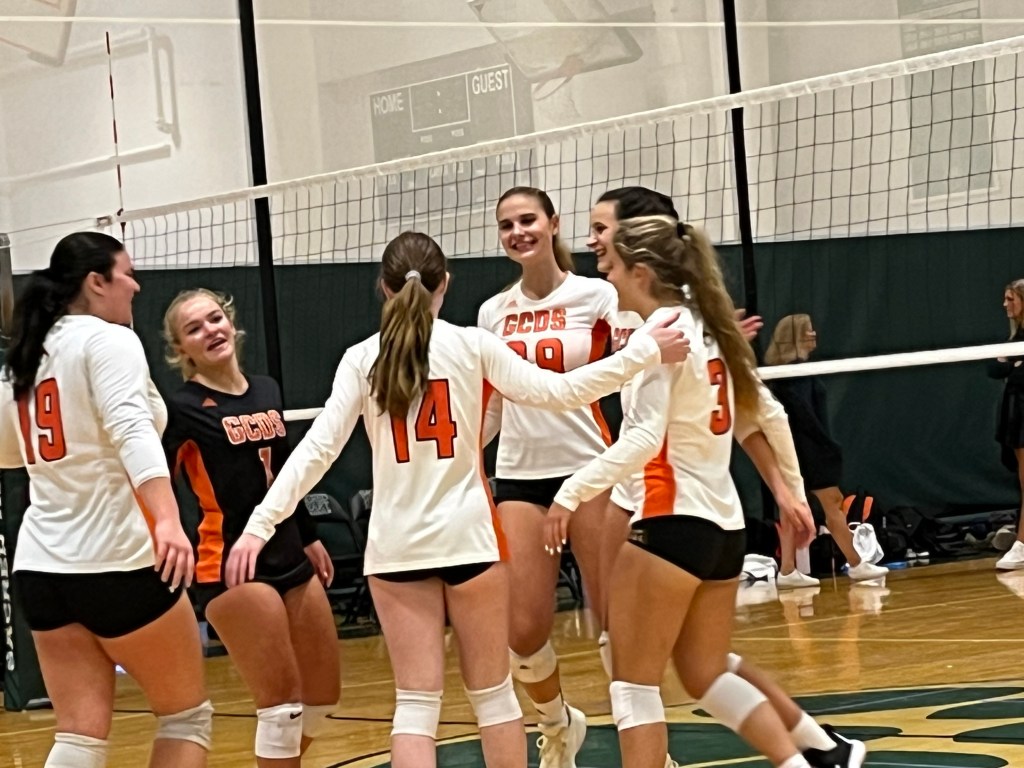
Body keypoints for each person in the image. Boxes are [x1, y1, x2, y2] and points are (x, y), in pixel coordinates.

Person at [221, 232, 689, 768]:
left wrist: (260, 525)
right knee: (494, 697)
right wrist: (644, 352)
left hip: (396, 548)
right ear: (445, 284)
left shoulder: (360, 358)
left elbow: (316, 452)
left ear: (384, 287)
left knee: (415, 708)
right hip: (470, 538)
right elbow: (561, 393)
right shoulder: (472, 345)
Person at [543, 214, 850, 768]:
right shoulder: (712, 328)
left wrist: (570, 494)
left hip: (669, 522)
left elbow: (643, 438)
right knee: (704, 673)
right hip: (725, 531)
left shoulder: (662, 335)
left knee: (632, 686)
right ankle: (806, 761)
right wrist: (793, 493)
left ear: (641, 272)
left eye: (613, 266)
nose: (607, 277)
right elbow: (770, 414)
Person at [0, 232, 211, 768]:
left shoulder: (27, 352)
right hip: (117, 559)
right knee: (185, 718)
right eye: (127, 274)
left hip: (42, 568)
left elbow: (8, 452)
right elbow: (132, 431)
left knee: (79, 736)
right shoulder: (108, 340)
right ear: (97, 281)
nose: (136, 286)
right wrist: (168, 520)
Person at [477, 186, 638, 765]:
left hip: (589, 469)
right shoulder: (492, 312)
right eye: (507, 225)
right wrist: (461, 459)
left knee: (616, 622)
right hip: (521, 476)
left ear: (553, 223)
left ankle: (646, 749)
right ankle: (558, 723)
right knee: (522, 632)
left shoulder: (597, 295)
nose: (518, 232)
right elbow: (493, 404)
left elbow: (634, 363)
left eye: (528, 220)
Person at [161, 288, 340, 766]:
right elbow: (152, 480)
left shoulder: (266, 389)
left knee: (321, 701)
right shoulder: (181, 408)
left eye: (214, 318)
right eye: (194, 329)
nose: (210, 331)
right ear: (181, 349)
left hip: (289, 551)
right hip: (229, 564)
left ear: (231, 322)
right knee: (282, 708)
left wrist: (309, 535)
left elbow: (286, 473)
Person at [764, 314, 888, 585]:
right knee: (832, 504)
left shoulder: (792, 371)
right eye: (808, 330)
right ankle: (855, 563)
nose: (814, 334)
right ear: (794, 336)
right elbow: (803, 417)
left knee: (793, 508)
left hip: (801, 449)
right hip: (808, 450)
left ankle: (787, 570)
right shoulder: (792, 374)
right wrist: (825, 446)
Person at [990, 279, 1024, 570]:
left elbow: (1015, 374)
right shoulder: (1017, 337)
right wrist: (1013, 366)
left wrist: (1012, 368)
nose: (1005, 304)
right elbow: (994, 368)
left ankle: (1021, 545)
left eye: (1011, 299)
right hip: (1015, 413)